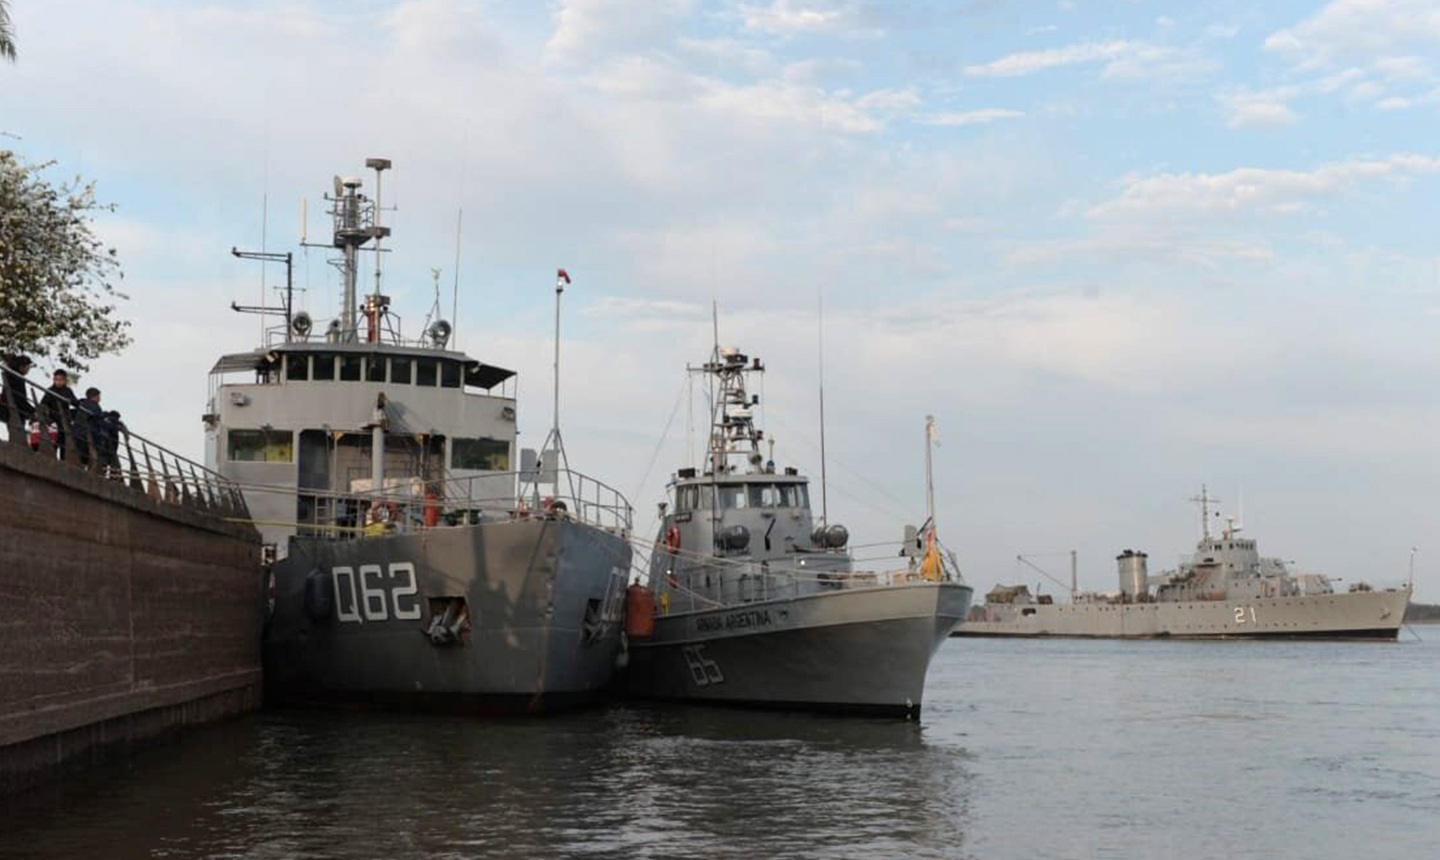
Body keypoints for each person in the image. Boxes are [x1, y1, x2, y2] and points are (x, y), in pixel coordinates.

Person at [38, 369, 79, 460]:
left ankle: (63, 461)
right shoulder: (50, 390)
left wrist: (70, 401)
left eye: (60, 379)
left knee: (64, 445)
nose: (58, 382)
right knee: (53, 443)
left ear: (64, 380)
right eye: (56, 379)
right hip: (53, 421)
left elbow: (75, 402)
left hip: (64, 422)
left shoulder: (68, 390)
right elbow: (43, 403)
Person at [0, 355, 36, 437]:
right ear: (21, 367)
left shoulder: (11, 376)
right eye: (28, 367)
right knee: (18, 436)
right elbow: (19, 400)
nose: (28, 369)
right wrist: (32, 411)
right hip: (13, 412)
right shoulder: (17, 378)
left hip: (9, 410)